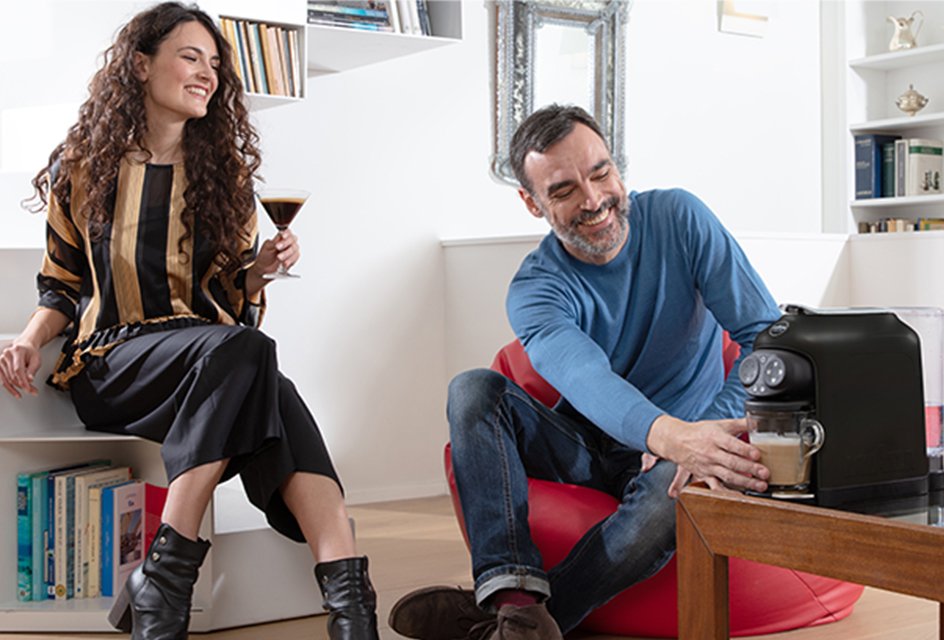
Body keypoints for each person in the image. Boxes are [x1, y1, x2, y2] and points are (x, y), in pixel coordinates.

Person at [0, 4, 377, 639]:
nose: (207, 73)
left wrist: (259, 272)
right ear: (141, 65)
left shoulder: (224, 177)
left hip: (211, 370)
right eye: (190, 57)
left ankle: (344, 605)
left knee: (260, 373)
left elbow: (230, 299)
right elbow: (61, 283)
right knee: (251, 357)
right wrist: (28, 339)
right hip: (113, 365)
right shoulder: (81, 167)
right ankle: (181, 570)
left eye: (214, 63)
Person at [388, 104, 781, 639]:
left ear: (617, 168)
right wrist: (668, 436)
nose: (594, 200)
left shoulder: (680, 219)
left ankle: (511, 617)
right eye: (564, 189)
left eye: (600, 173)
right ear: (531, 203)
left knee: (677, 490)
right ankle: (514, 593)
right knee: (472, 390)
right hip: (588, 447)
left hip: (690, 450)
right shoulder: (535, 289)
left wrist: (700, 435)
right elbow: (584, 378)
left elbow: (765, 337)